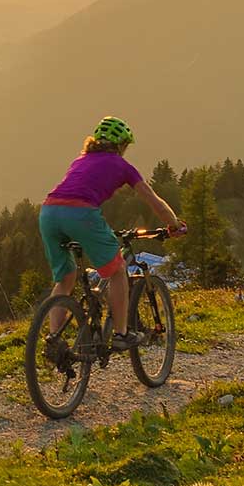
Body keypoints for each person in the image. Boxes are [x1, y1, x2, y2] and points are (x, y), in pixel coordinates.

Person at [39, 116, 183, 350]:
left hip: (48, 213)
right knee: (117, 271)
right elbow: (153, 200)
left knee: (65, 279)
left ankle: (54, 338)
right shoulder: (122, 166)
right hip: (81, 214)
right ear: (121, 145)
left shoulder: (80, 160)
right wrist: (175, 224)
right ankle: (121, 334)